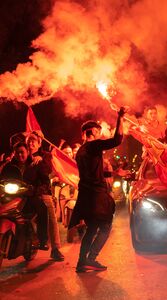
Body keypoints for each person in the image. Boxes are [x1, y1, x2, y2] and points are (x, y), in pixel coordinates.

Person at [70, 107, 126, 273]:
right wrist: (120, 117)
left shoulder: (81, 151)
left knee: (92, 229)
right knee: (106, 226)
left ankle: (82, 262)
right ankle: (91, 258)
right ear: (92, 132)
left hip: (86, 196)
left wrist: (114, 172)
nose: (101, 134)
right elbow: (117, 139)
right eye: (98, 131)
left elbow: (94, 172)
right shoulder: (93, 146)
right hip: (95, 196)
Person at [26, 131, 65, 261]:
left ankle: (55, 249)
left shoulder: (45, 156)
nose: (30, 143)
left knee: (51, 219)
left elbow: (47, 171)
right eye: (29, 141)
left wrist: (41, 160)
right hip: (25, 193)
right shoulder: (23, 156)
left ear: (39, 143)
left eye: (33, 141)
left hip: (42, 192)